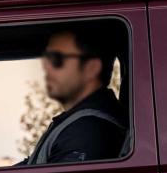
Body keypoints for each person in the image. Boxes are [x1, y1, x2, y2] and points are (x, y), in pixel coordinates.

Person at [27, 24, 128, 164]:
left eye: (57, 59)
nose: (46, 67)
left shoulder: (86, 131)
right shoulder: (77, 123)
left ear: (92, 68)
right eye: (47, 59)